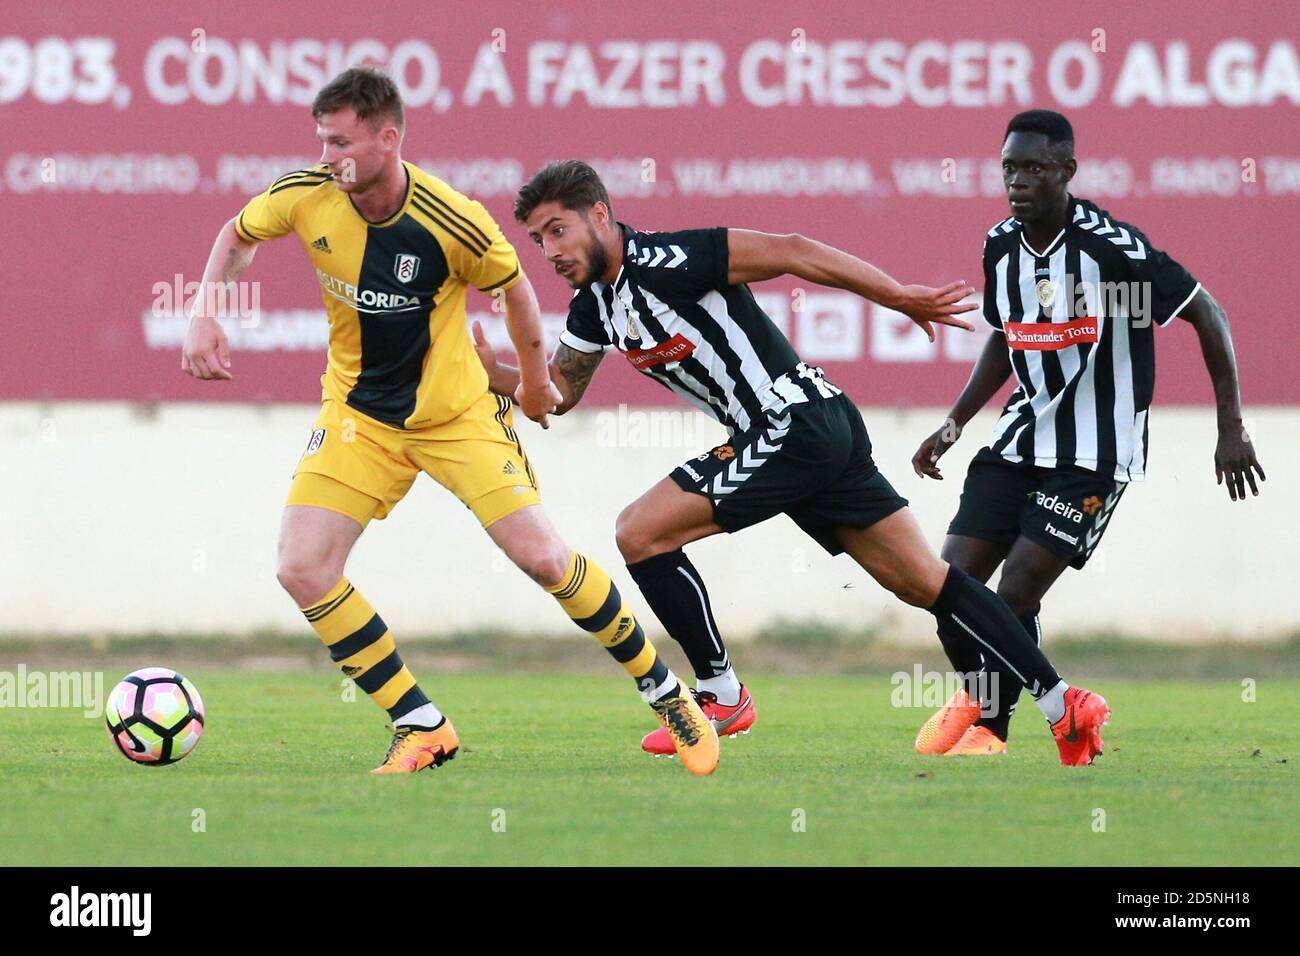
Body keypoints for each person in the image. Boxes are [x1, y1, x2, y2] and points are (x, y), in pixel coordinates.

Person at [474, 158, 1112, 767]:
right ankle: (1065, 706)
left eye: (557, 230)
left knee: (639, 531)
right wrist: (490, 372)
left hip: (794, 421)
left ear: (599, 214)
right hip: (812, 432)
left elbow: (793, 249)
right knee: (927, 583)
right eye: (537, 240)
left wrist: (898, 297)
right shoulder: (595, 304)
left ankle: (723, 697)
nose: (550, 250)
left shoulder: (673, 258)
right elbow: (557, 393)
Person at [180, 68, 718, 776]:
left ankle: (665, 692)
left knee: (545, 560)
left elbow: (517, 293)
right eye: (321, 140)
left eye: (341, 142)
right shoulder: (307, 193)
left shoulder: (450, 218)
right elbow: (236, 232)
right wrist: (205, 308)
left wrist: (531, 383)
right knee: (302, 567)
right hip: (358, 417)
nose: (327, 156)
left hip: (457, 416)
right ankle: (420, 723)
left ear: (387, 139)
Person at [911, 110, 1265, 756]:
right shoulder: (1000, 245)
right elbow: (1006, 334)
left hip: (1095, 453)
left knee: (1015, 589)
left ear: (1067, 172)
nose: (1018, 182)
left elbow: (1207, 312)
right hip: (1022, 438)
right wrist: (955, 421)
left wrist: (1231, 427)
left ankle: (998, 725)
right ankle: (1010, 711)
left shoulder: (1112, 249)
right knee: (946, 585)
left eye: (1034, 169)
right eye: (1009, 169)